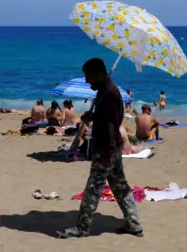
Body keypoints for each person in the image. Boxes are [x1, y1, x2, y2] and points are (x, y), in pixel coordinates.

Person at [57, 58, 142, 239]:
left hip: (107, 147)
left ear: (98, 74)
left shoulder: (109, 93)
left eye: (88, 76)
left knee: (93, 189)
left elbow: (112, 124)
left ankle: (82, 228)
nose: (87, 81)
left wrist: (107, 151)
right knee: (120, 187)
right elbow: (106, 117)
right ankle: (134, 224)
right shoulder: (105, 90)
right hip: (112, 146)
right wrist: (93, 115)